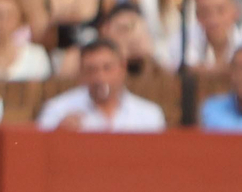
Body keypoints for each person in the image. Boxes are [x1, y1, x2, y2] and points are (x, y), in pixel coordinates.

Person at [37, 38, 167, 133]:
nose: (100, 77)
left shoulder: (148, 115)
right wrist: (59, 134)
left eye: (107, 68)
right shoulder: (58, 110)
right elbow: (42, 158)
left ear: (122, 69)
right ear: (81, 73)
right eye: (91, 70)